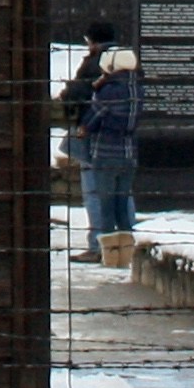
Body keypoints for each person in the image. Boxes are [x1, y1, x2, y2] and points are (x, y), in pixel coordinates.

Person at [58, 42, 141, 266]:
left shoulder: (109, 91)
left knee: (104, 204)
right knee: (122, 203)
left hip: (105, 152)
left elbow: (91, 120)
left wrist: (85, 123)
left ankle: (107, 252)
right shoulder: (135, 88)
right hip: (129, 152)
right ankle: (128, 250)